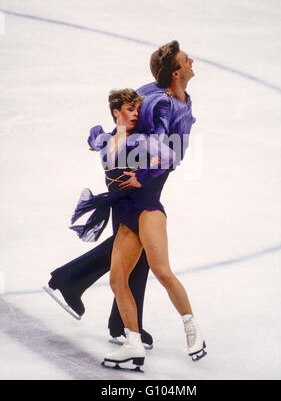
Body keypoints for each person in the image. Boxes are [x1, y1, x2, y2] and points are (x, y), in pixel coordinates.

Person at [44, 41, 203, 355]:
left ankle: (121, 323)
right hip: (138, 180)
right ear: (175, 73)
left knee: (135, 250)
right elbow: (158, 146)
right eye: (186, 60)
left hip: (143, 178)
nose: (192, 61)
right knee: (134, 246)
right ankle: (69, 282)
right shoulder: (161, 104)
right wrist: (131, 166)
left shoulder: (173, 96)